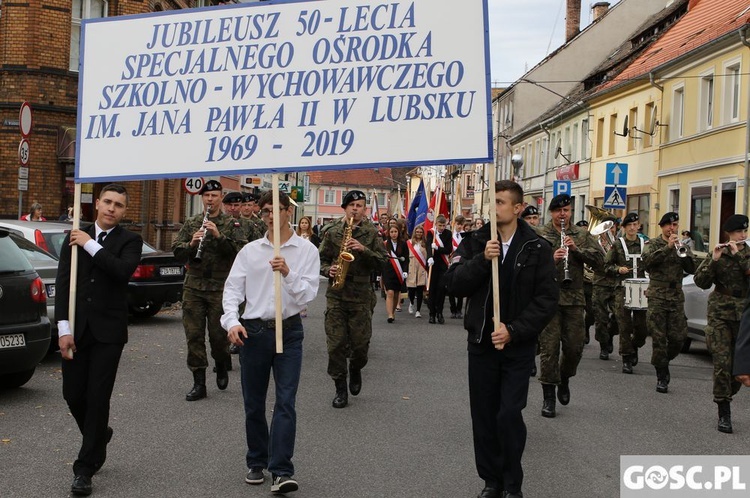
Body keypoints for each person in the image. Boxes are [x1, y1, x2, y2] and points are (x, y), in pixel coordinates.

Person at [444, 180, 558, 498]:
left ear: (518, 208)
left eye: (500, 202)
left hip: (516, 347)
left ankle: (512, 483)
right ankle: (491, 481)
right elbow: (452, 284)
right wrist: (482, 259)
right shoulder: (474, 242)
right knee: (483, 416)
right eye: (492, 201)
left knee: (508, 414)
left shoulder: (536, 247)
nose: (494, 207)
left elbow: (546, 300)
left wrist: (515, 330)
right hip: (482, 344)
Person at [221, 191, 320, 495]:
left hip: (289, 331)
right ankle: (256, 460)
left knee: (285, 402)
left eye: (275, 209)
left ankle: (281, 470)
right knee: (254, 403)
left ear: (288, 211)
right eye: (264, 211)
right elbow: (232, 290)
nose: (269, 215)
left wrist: (288, 273)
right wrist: (232, 321)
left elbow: (308, 295)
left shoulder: (305, 250)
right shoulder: (250, 251)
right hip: (254, 332)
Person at [55, 184, 143, 496]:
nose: (111, 208)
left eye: (118, 204)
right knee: (72, 395)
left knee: (97, 397)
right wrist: (63, 329)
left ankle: (84, 468)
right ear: (97, 203)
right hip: (77, 330)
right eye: (107, 201)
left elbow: (122, 271)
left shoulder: (130, 240)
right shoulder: (74, 236)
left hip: (109, 333)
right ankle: (99, 434)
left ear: (124, 211)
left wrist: (90, 244)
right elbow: (64, 282)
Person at [172, 180, 247, 401]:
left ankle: (222, 364)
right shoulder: (193, 222)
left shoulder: (231, 224)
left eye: (214, 196)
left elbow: (240, 253)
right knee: (194, 336)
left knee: (218, 337)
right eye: (207, 196)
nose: (210, 200)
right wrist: (191, 244)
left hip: (219, 288)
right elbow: (177, 251)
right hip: (193, 287)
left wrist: (218, 236)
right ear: (202, 198)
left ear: (221, 197)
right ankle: (199, 383)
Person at [319, 190, 388, 408]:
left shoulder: (371, 232)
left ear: (365, 209)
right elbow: (319, 260)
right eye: (351, 205)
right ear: (345, 208)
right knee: (335, 344)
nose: (355, 209)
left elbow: (383, 262)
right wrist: (328, 269)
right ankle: (340, 387)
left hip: (361, 294)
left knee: (360, 345)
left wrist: (364, 250)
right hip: (336, 295)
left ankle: (356, 368)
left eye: (359, 205)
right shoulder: (332, 231)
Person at [537, 194, 602, 418]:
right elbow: (528, 265)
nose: (562, 214)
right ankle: (548, 396)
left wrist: (576, 251)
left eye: (566, 210)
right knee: (549, 349)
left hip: (574, 300)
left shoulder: (581, 235)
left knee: (574, 348)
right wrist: (550, 260)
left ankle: (564, 378)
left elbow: (600, 261)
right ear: (551, 213)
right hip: (548, 300)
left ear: (571, 212)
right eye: (558, 211)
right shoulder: (540, 234)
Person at [693, 214, 750, 433]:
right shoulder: (718, 252)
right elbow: (700, 281)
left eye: (744, 231)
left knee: (738, 367)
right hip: (720, 314)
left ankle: (728, 392)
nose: (742, 235)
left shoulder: (747, 253)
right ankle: (723, 411)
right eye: (738, 232)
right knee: (722, 363)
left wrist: (738, 256)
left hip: (743, 314)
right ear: (729, 233)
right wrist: (714, 260)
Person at [642, 212, 696, 394]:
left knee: (678, 338)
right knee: (658, 338)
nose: (672, 228)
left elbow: (692, 268)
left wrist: (684, 252)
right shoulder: (653, 244)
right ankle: (662, 375)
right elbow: (647, 263)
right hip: (657, 295)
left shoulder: (683, 246)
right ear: (662, 227)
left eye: (675, 225)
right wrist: (667, 248)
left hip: (676, 296)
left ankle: (663, 360)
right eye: (669, 225)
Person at [605, 212, 648, 374]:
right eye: (629, 225)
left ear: (638, 226)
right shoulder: (618, 245)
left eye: (635, 224)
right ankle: (626, 358)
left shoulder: (646, 244)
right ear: (624, 227)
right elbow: (606, 266)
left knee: (641, 327)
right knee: (624, 325)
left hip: (641, 289)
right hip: (622, 289)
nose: (632, 228)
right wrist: (618, 269)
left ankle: (635, 345)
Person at [589, 216, 620, 360]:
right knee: (601, 318)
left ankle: (610, 334)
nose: (609, 231)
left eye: (612, 228)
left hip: (616, 284)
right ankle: (603, 346)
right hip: (600, 283)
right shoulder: (595, 245)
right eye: (607, 228)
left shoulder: (620, 244)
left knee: (618, 316)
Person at [426, 214, 453, 324]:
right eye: (440, 225)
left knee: (441, 289)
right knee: (432, 290)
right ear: (436, 224)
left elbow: (448, 249)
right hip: (433, 264)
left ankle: (440, 313)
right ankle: (432, 314)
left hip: (443, 265)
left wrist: (437, 248)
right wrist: (429, 258)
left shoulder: (448, 234)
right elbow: (428, 247)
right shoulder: (431, 233)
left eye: (443, 225)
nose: (442, 227)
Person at [382, 225, 409, 323]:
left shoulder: (403, 244)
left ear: (398, 233)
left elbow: (406, 259)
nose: (394, 234)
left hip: (399, 271)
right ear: (389, 233)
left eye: (395, 232)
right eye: (392, 232)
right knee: (390, 292)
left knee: (397, 293)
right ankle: (389, 314)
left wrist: (405, 271)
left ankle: (392, 312)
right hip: (388, 271)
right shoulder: (384, 244)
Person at [575, 220, 595, 345]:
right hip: (578, 283)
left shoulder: (592, 244)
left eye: (586, 229)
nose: (584, 231)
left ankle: (586, 328)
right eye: (581, 229)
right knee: (577, 313)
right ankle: (581, 334)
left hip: (591, 284)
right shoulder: (572, 243)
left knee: (592, 312)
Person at [406, 223, 428, 318]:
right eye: (417, 231)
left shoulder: (425, 243)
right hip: (411, 267)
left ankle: (418, 311)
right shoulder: (409, 243)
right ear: (414, 232)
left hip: (421, 268)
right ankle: (411, 302)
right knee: (411, 290)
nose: (419, 233)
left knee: (419, 290)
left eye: (420, 232)